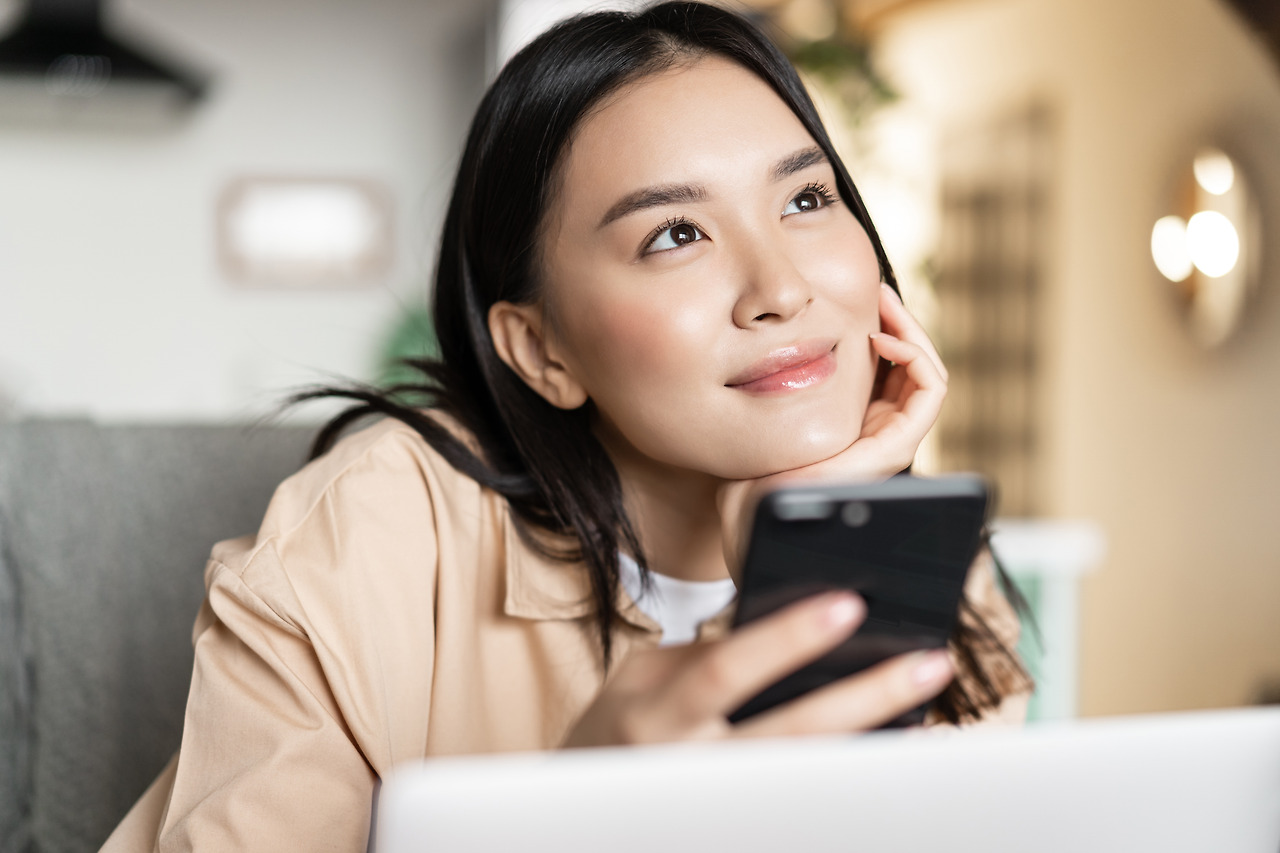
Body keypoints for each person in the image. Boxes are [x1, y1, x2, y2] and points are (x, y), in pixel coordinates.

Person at [103, 3, 1031, 850]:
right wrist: (573, 817)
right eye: (675, 233)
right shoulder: (361, 540)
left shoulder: (926, 558)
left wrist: (806, 579)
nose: (784, 288)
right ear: (542, 350)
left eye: (805, 198)